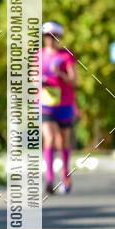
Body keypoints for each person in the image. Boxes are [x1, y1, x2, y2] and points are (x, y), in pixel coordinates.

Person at [40, 21, 77, 193]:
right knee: (49, 138)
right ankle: (48, 179)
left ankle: (65, 174)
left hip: (65, 104)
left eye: (55, 36)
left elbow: (74, 81)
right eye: (48, 36)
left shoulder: (66, 56)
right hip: (46, 104)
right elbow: (32, 78)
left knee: (63, 141)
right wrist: (37, 81)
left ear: (59, 37)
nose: (51, 39)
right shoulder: (38, 56)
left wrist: (60, 74)